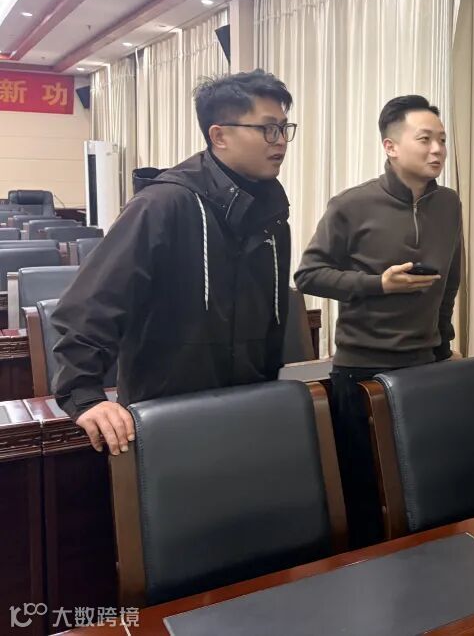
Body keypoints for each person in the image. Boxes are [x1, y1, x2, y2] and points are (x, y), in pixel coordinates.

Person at [52, 70, 296, 455]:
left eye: (283, 128)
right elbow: (90, 305)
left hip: (249, 410)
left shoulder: (271, 214)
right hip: (166, 419)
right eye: (267, 129)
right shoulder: (163, 205)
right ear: (219, 135)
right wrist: (83, 394)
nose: (280, 141)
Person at [294, 94, 462, 546]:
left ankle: (421, 565)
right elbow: (308, 275)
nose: (437, 150)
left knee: (422, 482)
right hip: (361, 366)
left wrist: (443, 344)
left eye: (442, 140)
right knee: (364, 488)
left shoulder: (448, 204)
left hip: (424, 364)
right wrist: (377, 285)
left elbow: (450, 280)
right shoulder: (351, 205)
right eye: (424, 139)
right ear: (391, 146)